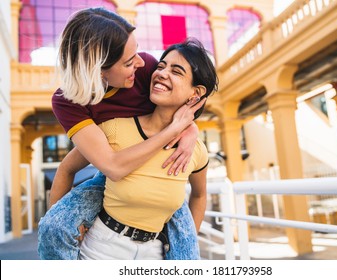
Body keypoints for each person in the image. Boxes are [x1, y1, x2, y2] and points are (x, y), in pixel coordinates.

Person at [37, 7, 209, 260]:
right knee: (53, 227)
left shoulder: (145, 67)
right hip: (111, 171)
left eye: (136, 51)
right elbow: (112, 168)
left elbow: (176, 100)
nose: (141, 63)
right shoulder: (68, 101)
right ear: (99, 69)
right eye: (129, 61)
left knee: (186, 247)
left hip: (157, 183)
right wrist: (68, 221)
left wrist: (190, 127)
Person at [78, 37, 217, 259]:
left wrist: (187, 240)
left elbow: (199, 195)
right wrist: (67, 225)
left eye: (177, 71)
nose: (162, 73)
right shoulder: (114, 128)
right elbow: (66, 169)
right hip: (102, 249)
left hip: (156, 252)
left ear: (196, 93)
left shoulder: (195, 150)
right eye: (161, 66)